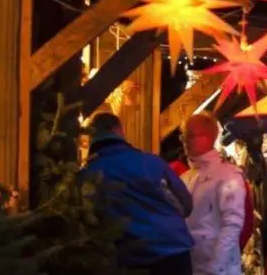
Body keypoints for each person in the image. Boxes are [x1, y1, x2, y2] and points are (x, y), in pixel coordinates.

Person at [82, 112, 194, 275]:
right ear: (118, 130)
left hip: (130, 258)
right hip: (174, 249)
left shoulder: (88, 175)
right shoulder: (152, 162)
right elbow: (185, 205)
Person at [179, 112, 248, 275]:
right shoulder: (185, 178)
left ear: (209, 137)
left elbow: (233, 225)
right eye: (183, 136)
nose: (185, 141)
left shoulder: (228, 175)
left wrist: (215, 267)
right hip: (192, 267)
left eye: (190, 135)